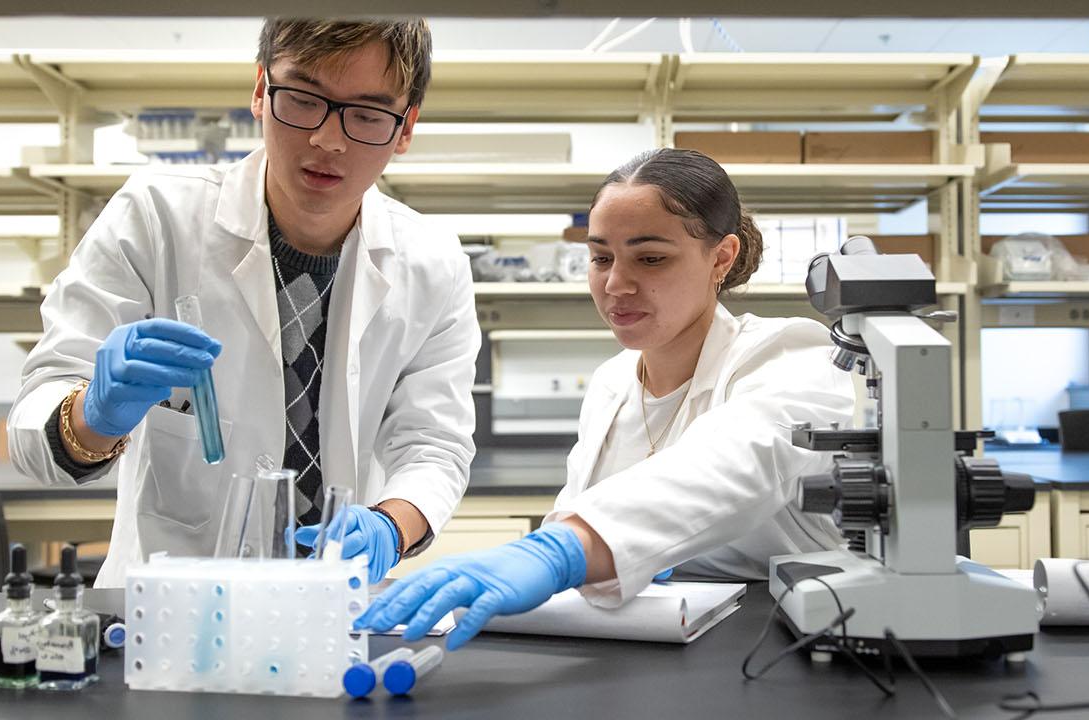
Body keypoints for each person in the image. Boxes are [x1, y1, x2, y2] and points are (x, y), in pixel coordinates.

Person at [7, 19, 479, 588]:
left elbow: (435, 446)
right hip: (169, 611)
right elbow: (32, 429)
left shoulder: (433, 261)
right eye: (303, 100)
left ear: (405, 129)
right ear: (260, 91)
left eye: (368, 115)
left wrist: (389, 525)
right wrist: (95, 413)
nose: (329, 140)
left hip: (335, 606)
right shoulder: (155, 219)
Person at [358, 148, 854, 648]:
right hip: (651, 645)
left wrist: (558, 553)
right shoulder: (612, 385)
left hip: (784, 647)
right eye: (600, 258)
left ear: (721, 257)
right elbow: (584, 524)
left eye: (651, 258)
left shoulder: (789, 355)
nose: (616, 283)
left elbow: (735, 460)